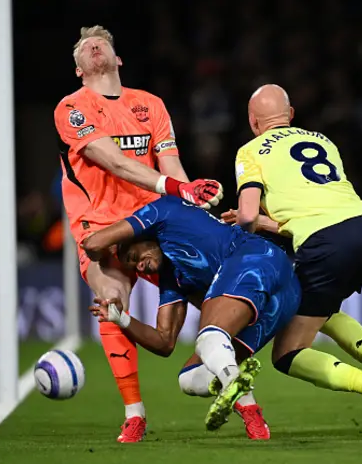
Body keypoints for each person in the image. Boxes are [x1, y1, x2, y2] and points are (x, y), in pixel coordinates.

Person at [222, 84, 362, 441]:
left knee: (287, 352)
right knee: (320, 309)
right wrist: (269, 221)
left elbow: (249, 215)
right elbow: (310, 209)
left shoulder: (250, 151)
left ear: (254, 122)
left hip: (326, 242)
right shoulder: (323, 140)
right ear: (291, 115)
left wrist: (242, 218)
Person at [53, 25, 223, 443]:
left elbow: (172, 168)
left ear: (118, 59)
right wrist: (177, 189)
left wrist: (198, 205)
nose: (93, 46)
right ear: (78, 68)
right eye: (83, 47)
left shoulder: (149, 105)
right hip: (100, 225)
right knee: (111, 300)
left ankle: (239, 390)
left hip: (155, 223)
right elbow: (114, 162)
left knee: (223, 299)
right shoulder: (71, 108)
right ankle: (134, 413)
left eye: (101, 43)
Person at [81, 195, 302, 440]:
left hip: (257, 258)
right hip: (284, 298)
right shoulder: (172, 278)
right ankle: (253, 416)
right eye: (134, 269)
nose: (139, 269)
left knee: (208, 340)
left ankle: (238, 392)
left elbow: (92, 244)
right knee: (191, 378)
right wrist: (120, 318)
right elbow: (164, 342)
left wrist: (105, 251)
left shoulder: (162, 212)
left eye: (134, 257)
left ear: (141, 236)